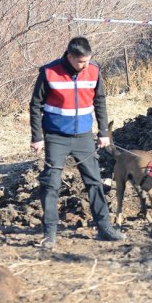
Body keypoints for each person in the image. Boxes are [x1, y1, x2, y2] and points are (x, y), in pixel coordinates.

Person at [29, 36, 125, 248]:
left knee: (94, 181)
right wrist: (37, 137)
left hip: (84, 137)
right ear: (69, 56)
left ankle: (104, 227)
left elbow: (99, 101)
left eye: (88, 60)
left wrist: (102, 132)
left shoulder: (94, 70)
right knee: (51, 183)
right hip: (55, 137)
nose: (85, 65)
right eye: (81, 61)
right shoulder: (49, 71)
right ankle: (50, 233)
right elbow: (35, 105)